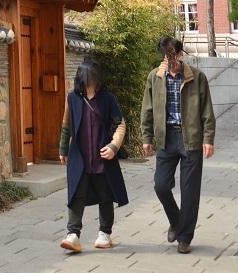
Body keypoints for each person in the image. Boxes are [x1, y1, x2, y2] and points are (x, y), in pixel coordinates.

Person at [140, 36, 216, 254]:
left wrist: (208, 139)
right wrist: (147, 137)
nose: (170, 61)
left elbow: (207, 111)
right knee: (161, 186)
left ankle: (185, 237)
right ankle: (176, 220)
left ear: (181, 54)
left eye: (173, 56)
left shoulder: (197, 77)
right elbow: (147, 109)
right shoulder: (154, 77)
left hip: (191, 139)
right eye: (166, 57)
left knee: (190, 192)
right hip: (166, 139)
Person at [58, 58, 128, 254]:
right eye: (85, 76)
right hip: (79, 156)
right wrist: (63, 149)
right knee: (75, 195)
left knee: (105, 195)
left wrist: (114, 146)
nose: (88, 80)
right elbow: (66, 124)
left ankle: (104, 233)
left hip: (102, 156)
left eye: (91, 76)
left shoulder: (108, 98)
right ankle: (73, 235)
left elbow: (120, 124)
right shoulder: (72, 97)